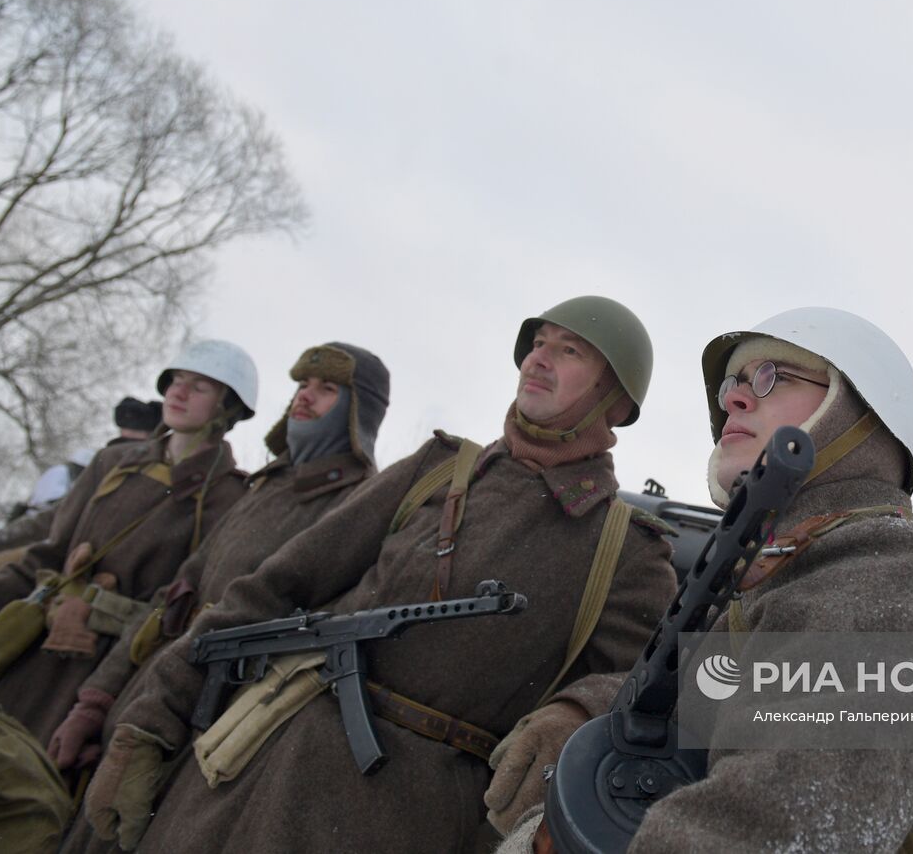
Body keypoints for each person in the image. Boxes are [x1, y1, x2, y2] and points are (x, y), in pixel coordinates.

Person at [82, 297, 678, 852]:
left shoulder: (625, 548)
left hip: (403, 821)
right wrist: (151, 719)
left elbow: (662, 693)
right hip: (246, 767)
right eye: (538, 343)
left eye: (569, 351)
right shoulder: (436, 469)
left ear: (614, 399)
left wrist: (578, 711)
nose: (538, 359)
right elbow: (271, 590)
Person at [492, 307, 913, 853]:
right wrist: (588, 712)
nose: (735, 399)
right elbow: (710, 692)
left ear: (856, 417)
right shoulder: (794, 572)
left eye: (772, 376)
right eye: (733, 384)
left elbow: (784, 825)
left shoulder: (887, 575)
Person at [47, 342, 390, 792]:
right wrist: (95, 702)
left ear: (358, 409)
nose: (304, 396)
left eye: (327, 388)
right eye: (302, 384)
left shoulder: (355, 505)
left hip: (210, 723)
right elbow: (171, 596)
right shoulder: (267, 484)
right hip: (147, 690)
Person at [0, 340, 256, 747]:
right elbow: (45, 557)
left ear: (227, 407)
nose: (178, 393)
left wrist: (94, 703)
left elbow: (171, 608)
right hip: (29, 647)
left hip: (101, 675)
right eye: (176, 381)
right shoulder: (112, 463)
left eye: (198, 387)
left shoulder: (230, 497)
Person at [0, 398, 160, 571]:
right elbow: (58, 515)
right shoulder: (104, 467)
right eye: (122, 441)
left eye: (132, 442)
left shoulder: (156, 477)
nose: (124, 451)